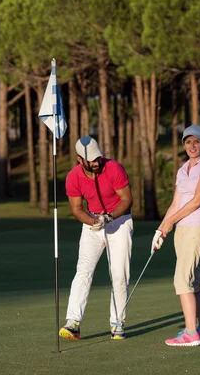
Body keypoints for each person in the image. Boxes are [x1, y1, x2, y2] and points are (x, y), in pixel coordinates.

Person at [59, 136, 134, 340]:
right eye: (91, 159)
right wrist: (94, 222)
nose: (96, 162)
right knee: (83, 271)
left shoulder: (114, 168)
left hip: (119, 222)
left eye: (98, 157)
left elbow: (127, 200)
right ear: (79, 160)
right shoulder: (73, 177)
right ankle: (73, 323)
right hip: (92, 223)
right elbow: (76, 209)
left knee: (119, 275)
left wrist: (109, 217)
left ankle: (117, 324)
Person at [151, 124, 200, 347]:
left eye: (197, 141)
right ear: (183, 145)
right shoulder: (182, 170)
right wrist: (161, 229)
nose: (192, 145)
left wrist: (170, 221)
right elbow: (175, 203)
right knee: (194, 280)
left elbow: (197, 201)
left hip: (197, 227)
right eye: (188, 142)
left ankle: (190, 333)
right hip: (181, 230)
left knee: (182, 279)